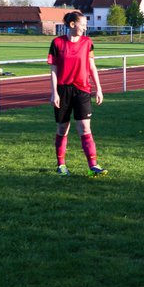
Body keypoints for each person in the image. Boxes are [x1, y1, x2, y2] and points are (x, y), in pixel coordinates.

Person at [48, 10, 106, 176]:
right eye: (83, 24)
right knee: (62, 129)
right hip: (62, 90)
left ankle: (93, 166)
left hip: (82, 90)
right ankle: (61, 166)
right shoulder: (57, 43)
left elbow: (92, 66)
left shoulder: (88, 42)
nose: (85, 28)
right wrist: (54, 93)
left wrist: (99, 88)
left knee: (85, 128)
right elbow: (53, 70)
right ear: (72, 25)